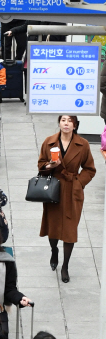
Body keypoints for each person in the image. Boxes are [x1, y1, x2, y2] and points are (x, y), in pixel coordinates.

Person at [37, 113, 96, 283]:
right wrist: (50, 165)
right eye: (63, 120)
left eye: (70, 121)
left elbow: (90, 169)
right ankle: (54, 250)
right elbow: (41, 165)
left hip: (72, 190)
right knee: (53, 227)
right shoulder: (49, 142)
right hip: (53, 189)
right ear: (59, 123)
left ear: (75, 125)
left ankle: (65, 266)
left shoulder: (83, 144)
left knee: (70, 230)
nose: (66, 124)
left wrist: (78, 182)